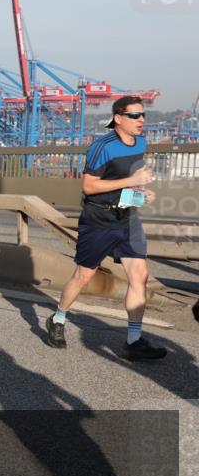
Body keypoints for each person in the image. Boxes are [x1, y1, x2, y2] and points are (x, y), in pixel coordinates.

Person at [46, 96, 165, 361]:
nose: (141, 120)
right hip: (98, 220)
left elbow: (129, 181)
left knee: (139, 276)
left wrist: (142, 193)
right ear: (118, 118)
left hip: (128, 219)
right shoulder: (102, 146)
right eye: (134, 116)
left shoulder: (141, 143)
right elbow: (88, 187)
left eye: (143, 115)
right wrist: (131, 179)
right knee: (83, 276)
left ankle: (133, 341)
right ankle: (58, 317)